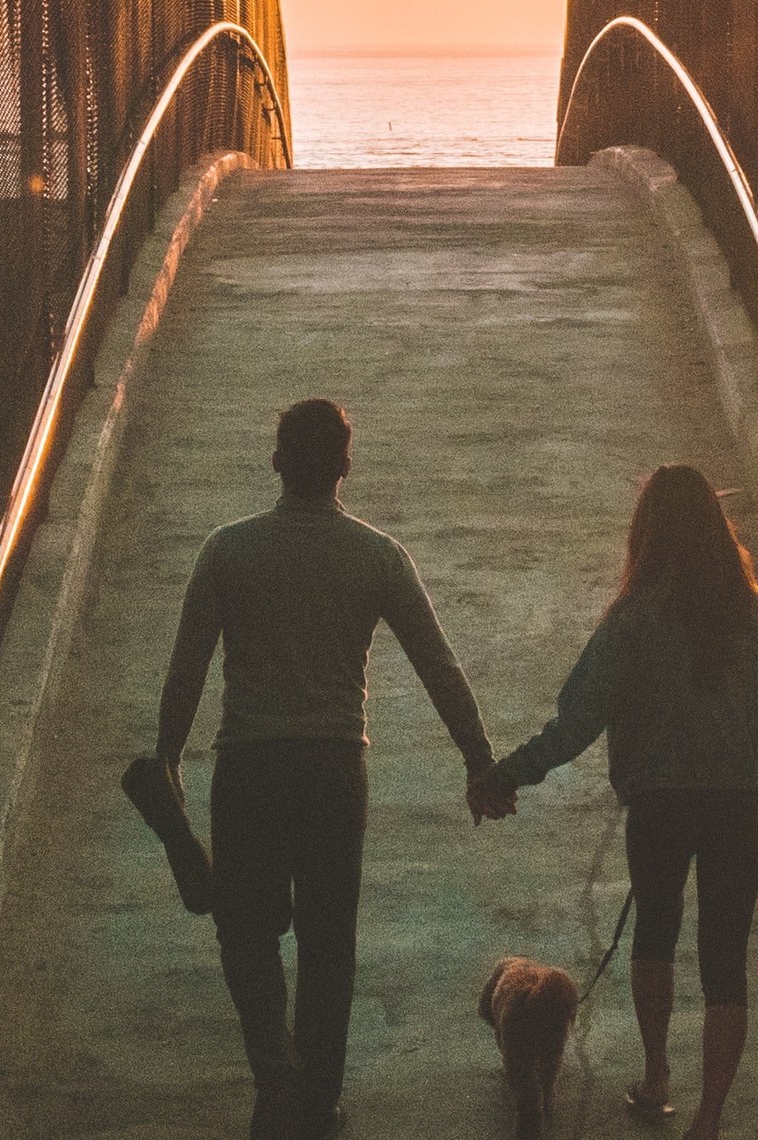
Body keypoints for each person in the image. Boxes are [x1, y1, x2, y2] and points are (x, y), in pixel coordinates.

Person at [153, 398, 513, 1140]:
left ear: (277, 461)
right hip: (333, 768)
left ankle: (273, 1071)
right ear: (345, 468)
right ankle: (316, 1102)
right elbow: (438, 665)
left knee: (245, 930)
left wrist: (166, 760)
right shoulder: (377, 555)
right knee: (327, 940)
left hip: (247, 765)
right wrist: (479, 759)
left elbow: (186, 669)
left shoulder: (227, 550)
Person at [472, 464, 758, 1140]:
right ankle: (709, 1119)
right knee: (726, 961)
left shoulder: (631, 620)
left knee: (654, 934)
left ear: (646, 534)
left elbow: (574, 722)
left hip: (659, 807)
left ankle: (657, 1077)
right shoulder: (756, 608)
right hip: (736, 810)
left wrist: (504, 774)